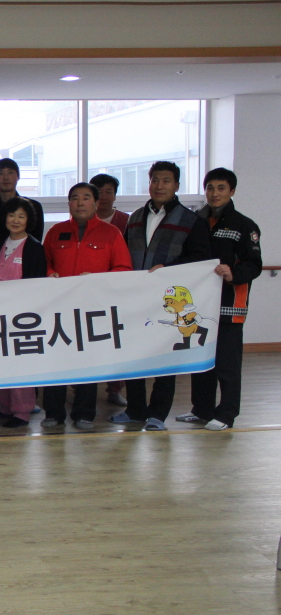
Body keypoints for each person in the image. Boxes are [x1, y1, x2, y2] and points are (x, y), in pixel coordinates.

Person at [112, 161, 212, 431]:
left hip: (169, 301)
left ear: (176, 185)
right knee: (133, 355)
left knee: (164, 358)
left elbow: (200, 258)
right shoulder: (135, 217)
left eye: (166, 181)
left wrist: (169, 269)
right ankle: (135, 410)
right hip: (135, 299)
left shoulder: (191, 220)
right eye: (155, 180)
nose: (159, 186)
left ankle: (157, 414)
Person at [40, 183, 132, 430]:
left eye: (86, 198)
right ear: (69, 203)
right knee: (56, 361)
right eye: (75, 198)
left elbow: (123, 269)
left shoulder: (111, 233)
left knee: (88, 362)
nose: (80, 203)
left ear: (96, 203)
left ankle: (84, 414)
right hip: (59, 309)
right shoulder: (56, 232)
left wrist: (99, 280)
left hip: (93, 309)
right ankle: (54, 413)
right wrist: (50, 273)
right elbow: (44, 262)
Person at [176, 168, 262, 431]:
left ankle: (226, 414)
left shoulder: (244, 226)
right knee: (201, 361)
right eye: (210, 188)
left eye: (221, 188)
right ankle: (201, 409)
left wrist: (233, 274)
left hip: (229, 305)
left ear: (232, 191)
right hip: (200, 305)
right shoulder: (196, 221)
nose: (214, 193)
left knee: (227, 364)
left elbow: (254, 264)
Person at [0, 198, 48, 428]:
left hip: (22, 317)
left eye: (21, 216)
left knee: (20, 365)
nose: (16, 220)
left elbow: (37, 285)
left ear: (29, 221)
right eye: (12, 215)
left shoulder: (33, 247)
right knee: (0, 361)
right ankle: (4, 407)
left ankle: (21, 412)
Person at [87, 173, 129, 405]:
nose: (104, 196)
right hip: (87, 293)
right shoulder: (82, 220)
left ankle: (115, 389)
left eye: (109, 192)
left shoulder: (126, 221)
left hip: (116, 291)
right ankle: (81, 390)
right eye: (99, 192)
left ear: (115, 195)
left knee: (115, 341)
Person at [0, 158, 45, 248]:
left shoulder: (33, 207)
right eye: (1, 173)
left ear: (18, 176)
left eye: (10, 172)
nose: (6, 178)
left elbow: (35, 242)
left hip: (25, 255)